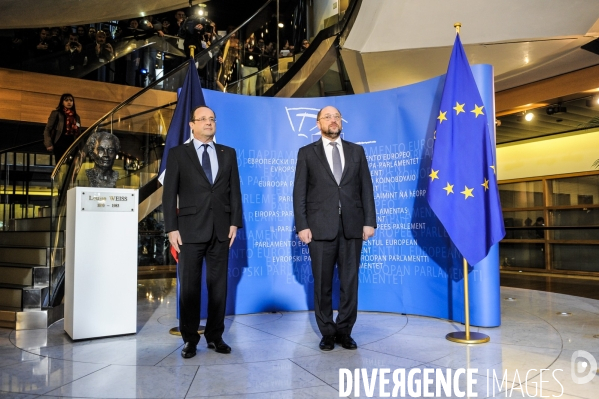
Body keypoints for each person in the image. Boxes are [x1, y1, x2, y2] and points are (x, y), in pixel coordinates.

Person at [293, 105, 376, 351]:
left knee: (350, 283)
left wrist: (369, 221)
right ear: (318, 123)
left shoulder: (357, 152)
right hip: (319, 229)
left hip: (352, 227)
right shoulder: (307, 153)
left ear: (341, 122)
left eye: (337, 116)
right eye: (327, 117)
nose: (333, 120)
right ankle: (327, 332)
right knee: (323, 283)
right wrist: (302, 225)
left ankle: (345, 331)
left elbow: (366, 189)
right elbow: (299, 193)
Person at [163, 105, 242, 359]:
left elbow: (235, 192)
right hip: (188, 231)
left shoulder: (228, 153)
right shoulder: (177, 154)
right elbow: (168, 195)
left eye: (212, 119)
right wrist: (171, 228)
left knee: (218, 287)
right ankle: (190, 339)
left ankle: (215, 336)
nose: (208, 123)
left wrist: (234, 223)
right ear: (192, 125)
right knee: (190, 288)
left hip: (221, 230)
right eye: (203, 119)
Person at [43, 93, 81, 163]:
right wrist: (48, 144)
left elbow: (78, 133)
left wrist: (80, 147)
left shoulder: (76, 117)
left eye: (71, 100)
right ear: (62, 102)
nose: (69, 102)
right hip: (60, 143)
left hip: (72, 144)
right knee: (60, 165)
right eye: (66, 100)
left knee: (71, 166)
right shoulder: (56, 113)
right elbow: (48, 129)